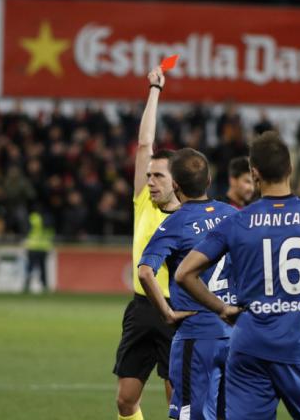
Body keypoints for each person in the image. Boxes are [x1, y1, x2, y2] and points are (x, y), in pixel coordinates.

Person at [175, 131, 300, 420]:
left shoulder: (236, 221)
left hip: (248, 345)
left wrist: (222, 309)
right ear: (291, 169)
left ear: (254, 174)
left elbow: (184, 274)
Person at [138, 148, 238, 419]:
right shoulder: (234, 214)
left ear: (176, 185)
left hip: (197, 335)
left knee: (191, 415)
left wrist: (167, 313)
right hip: (235, 335)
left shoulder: (175, 224)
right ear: (208, 182)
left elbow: (146, 272)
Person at [113, 66, 181, 420]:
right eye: (149, 174)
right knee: (125, 400)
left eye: (159, 176)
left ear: (177, 181)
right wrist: (155, 90)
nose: (151, 180)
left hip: (178, 310)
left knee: (177, 403)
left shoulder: (190, 213)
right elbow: (144, 144)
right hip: (142, 309)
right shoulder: (143, 201)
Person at [24, 210, 54, 292]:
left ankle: (27, 285)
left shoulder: (33, 217)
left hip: (33, 246)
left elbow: (26, 230)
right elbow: (51, 232)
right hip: (43, 247)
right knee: (43, 268)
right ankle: (44, 285)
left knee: (30, 267)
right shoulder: (49, 218)